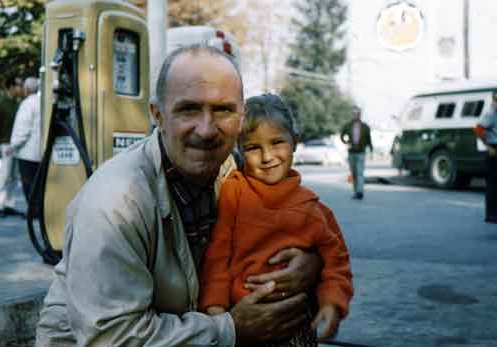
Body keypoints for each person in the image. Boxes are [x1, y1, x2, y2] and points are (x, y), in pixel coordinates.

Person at [36, 45, 324, 347]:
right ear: (158, 115)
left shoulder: (235, 167)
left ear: (241, 118)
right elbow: (112, 337)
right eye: (188, 109)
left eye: (223, 110)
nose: (206, 130)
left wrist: (309, 262)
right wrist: (231, 330)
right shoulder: (115, 202)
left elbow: (295, 223)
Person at [199, 94, 353, 347]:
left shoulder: (312, 208)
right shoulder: (234, 192)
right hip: (242, 317)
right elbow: (218, 254)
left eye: (277, 142)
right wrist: (215, 310)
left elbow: (336, 261)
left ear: (295, 143)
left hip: (294, 321)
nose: (267, 156)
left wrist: (332, 303)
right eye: (253, 148)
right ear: (239, 149)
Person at [0, 76, 24, 218]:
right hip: (4, 144)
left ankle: (8, 204)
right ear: (11, 87)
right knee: (4, 175)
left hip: (15, 145)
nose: (21, 88)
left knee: (14, 177)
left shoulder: (17, 104)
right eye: (19, 85)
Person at [8, 77, 42, 217]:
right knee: (39, 183)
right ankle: (40, 210)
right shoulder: (44, 102)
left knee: (29, 183)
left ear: (27, 89)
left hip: (28, 152)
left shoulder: (27, 104)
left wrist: (13, 145)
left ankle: (33, 211)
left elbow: (22, 129)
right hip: (41, 151)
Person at [340, 106, 373, 200]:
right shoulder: (348, 125)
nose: (355, 115)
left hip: (361, 153)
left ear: (359, 114)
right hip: (351, 153)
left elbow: (369, 140)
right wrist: (346, 142)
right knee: (354, 173)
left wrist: (371, 150)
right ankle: (356, 191)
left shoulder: (365, 126)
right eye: (353, 113)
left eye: (357, 113)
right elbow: (342, 136)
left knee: (360, 172)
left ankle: (360, 192)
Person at [476, 93, 497, 223]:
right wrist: (488, 147)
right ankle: (492, 214)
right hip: (494, 149)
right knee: (493, 184)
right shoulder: (491, 113)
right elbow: (478, 129)